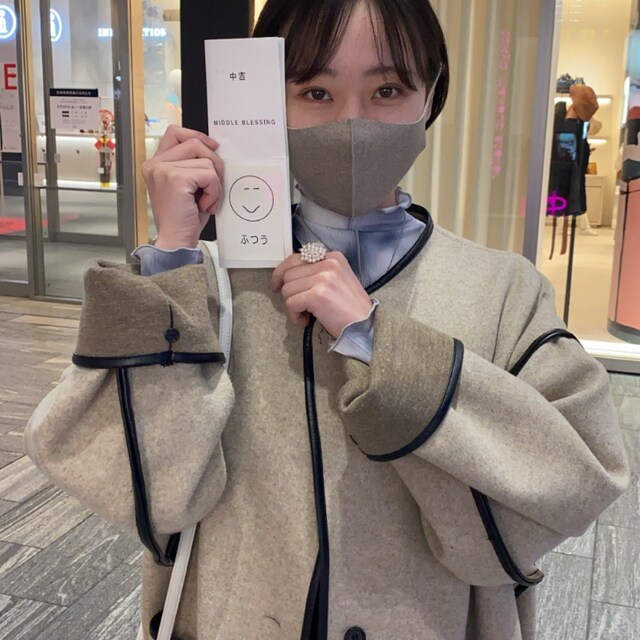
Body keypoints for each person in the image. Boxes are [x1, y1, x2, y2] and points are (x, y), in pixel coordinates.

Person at [25, 1, 629, 639]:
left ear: (431, 96)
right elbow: (141, 495)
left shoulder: (504, 291)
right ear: (268, 98)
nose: (351, 123)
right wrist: (173, 254)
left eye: (387, 89)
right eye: (316, 91)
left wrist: (376, 341)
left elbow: (573, 486)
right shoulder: (201, 284)